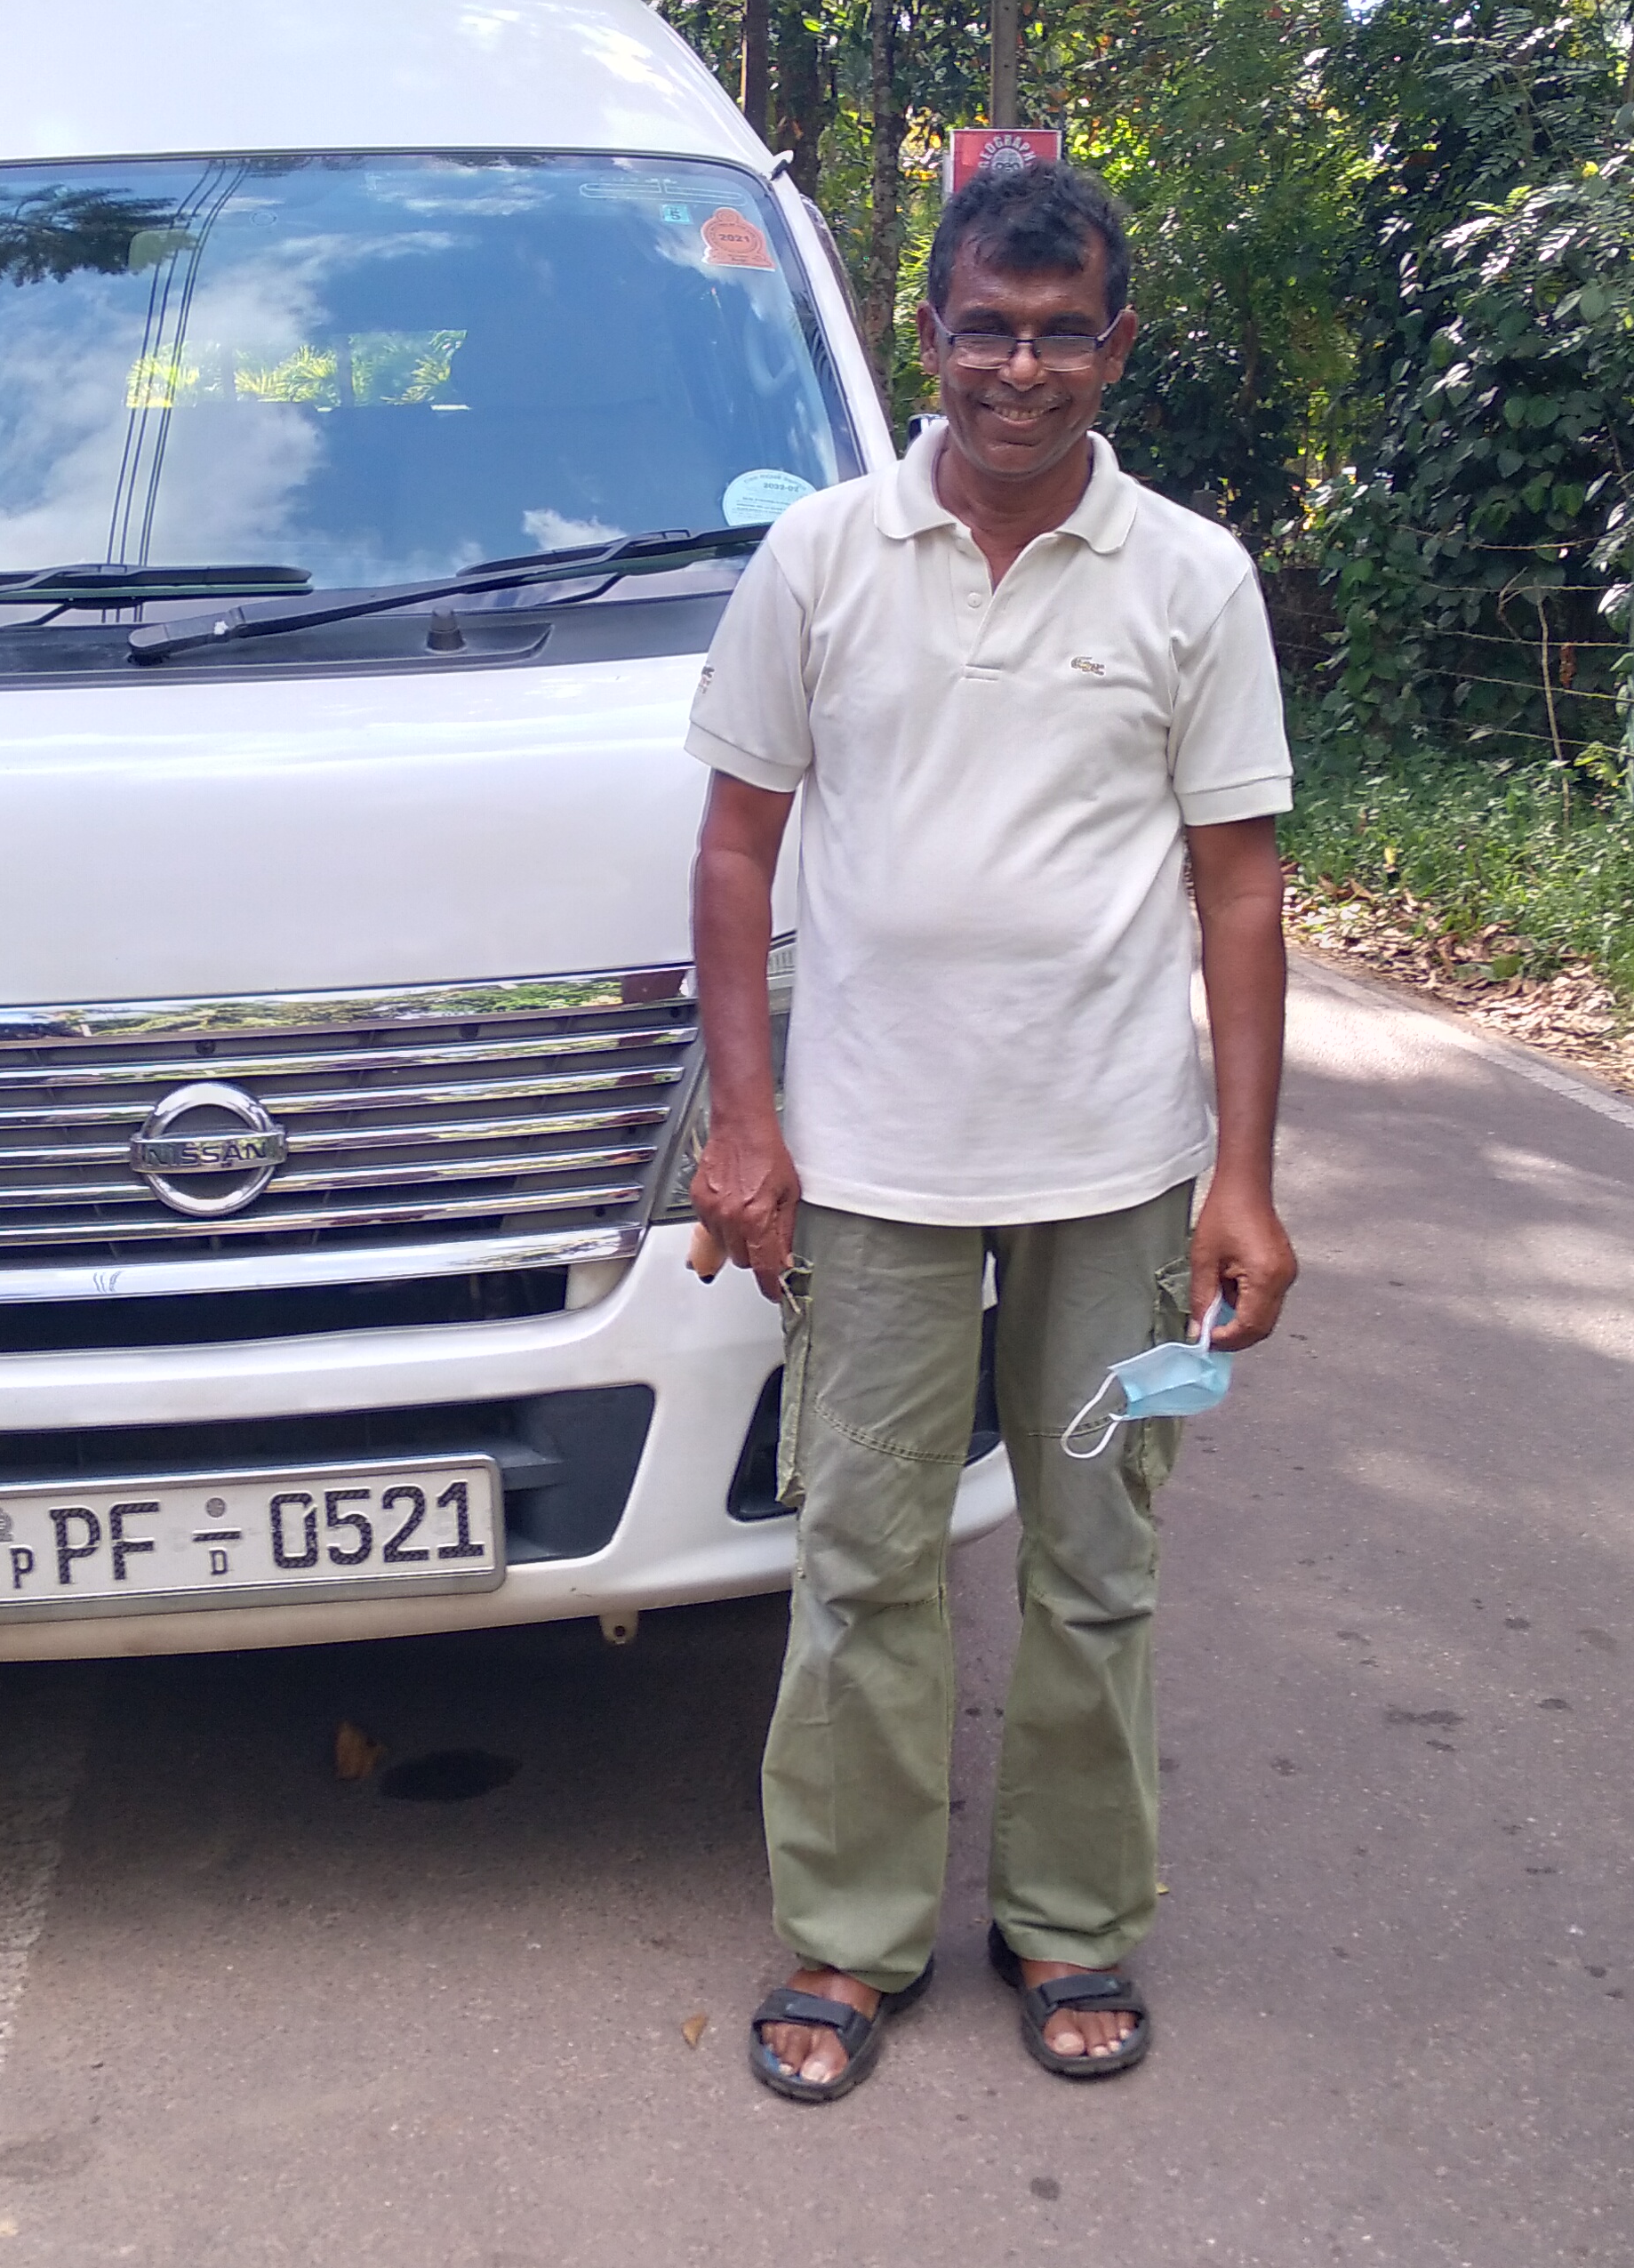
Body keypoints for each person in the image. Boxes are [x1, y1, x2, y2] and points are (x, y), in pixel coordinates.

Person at [685, 156, 1296, 2103]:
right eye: (984, 328)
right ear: (925, 333)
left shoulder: (1191, 577)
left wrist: (1247, 1183)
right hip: (865, 1174)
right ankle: (853, 1938)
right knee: (858, 1560)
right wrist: (745, 1130)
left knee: (1096, 1559)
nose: (1018, 370)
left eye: (1059, 334)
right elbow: (733, 849)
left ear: (1113, 347)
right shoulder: (820, 562)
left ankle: (1069, 1920)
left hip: (1118, 1173)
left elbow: (1240, 891)